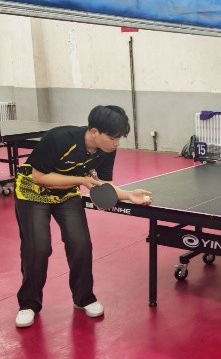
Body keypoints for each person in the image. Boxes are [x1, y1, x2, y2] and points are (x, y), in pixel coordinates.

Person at [14, 105, 153, 328]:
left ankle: (83, 298)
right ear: (94, 131)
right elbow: (39, 176)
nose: (116, 143)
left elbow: (103, 184)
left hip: (66, 194)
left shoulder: (106, 150)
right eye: (113, 138)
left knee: (80, 244)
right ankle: (28, 304)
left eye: (119, 138)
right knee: (38, 248)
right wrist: (81, 180)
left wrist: (128, 195)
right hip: (32, 193)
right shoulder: (59, 138)